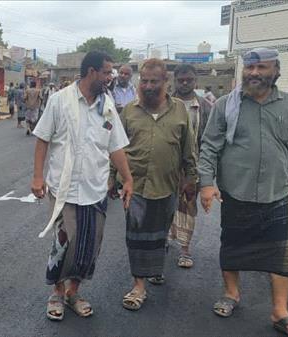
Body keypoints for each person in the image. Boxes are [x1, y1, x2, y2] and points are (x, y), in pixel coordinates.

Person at [199, 48, 288, 336]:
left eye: (262, 67)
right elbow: (210, 146)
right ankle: (231, 294)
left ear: (276, 72)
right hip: (236, 191)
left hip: (277, 192)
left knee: (280, 254)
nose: (254, 73)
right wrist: (207, 184)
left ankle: (280, 311)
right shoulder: (227, 104)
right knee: (233, 246)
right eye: (250, 67)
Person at [31, 51, 133, 321]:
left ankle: (73, 293)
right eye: (107, 72)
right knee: (65, 242)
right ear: (91, 72)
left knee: (90, 246)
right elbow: (42, 139)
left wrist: (128, 178)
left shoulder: (107, 105)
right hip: (63, 188)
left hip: (95, 188)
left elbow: (116, 146)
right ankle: (57, 292)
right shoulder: (60, 100)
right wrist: (37, 177)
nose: (110, 77)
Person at [117, 59, 197, 311]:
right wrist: (112, 178)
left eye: (154, 81)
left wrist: (191, 179)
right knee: (137, 234)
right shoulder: (129, 110)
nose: (148, 86)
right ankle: (139, 285)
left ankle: (155, 268)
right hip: (135, 185)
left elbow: (188, 147)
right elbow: (116, 147)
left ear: (165, 82)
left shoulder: (180, 110)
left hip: (167, 184)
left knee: (160, 231)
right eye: (144, 81)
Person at [167, 63, 212, 269]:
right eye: (180, 80)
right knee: (164, 206)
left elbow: (209, 141)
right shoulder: (165, 103)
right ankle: (163, 242)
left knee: (188, 207)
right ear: (174, 81)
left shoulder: (204, 107)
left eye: (189, 80)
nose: (185, 83)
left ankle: (185, 250)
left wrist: (201, 174)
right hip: (166, 167)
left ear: (196, 81)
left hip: (191, 168)